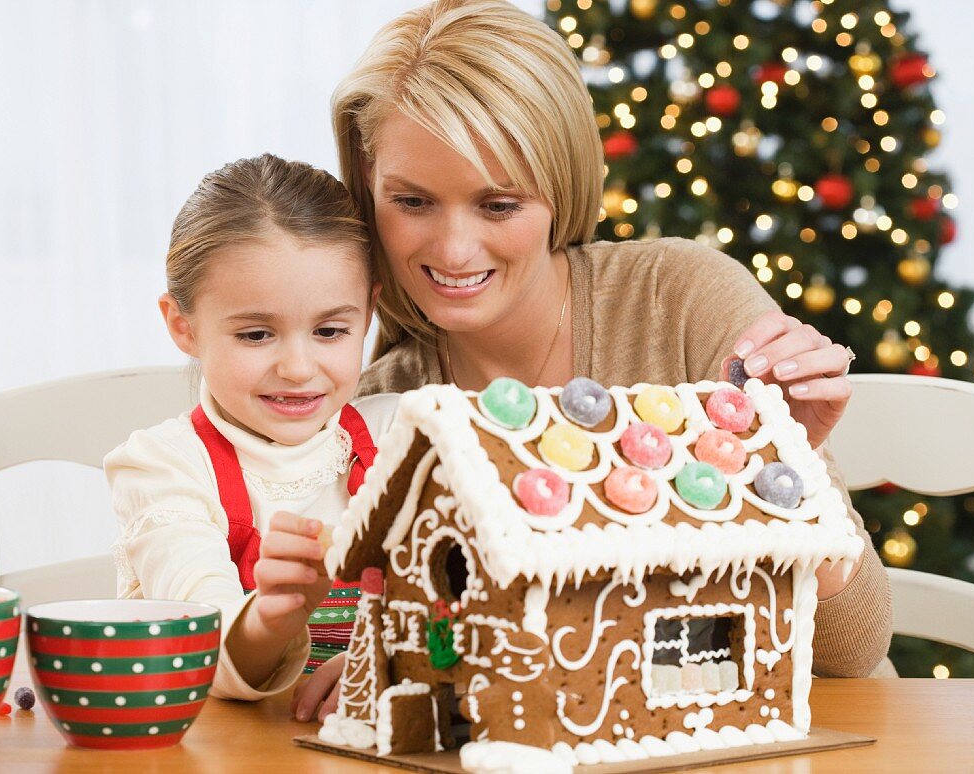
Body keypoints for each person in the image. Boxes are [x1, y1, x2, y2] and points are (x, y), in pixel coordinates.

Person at [292, 0, 892, 722]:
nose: (452, 251)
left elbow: (856, 652)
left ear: (560, 190)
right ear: (368, 190)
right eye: (413, 201)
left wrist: (787, 483)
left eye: (499, 205)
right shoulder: (381, 407)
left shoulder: (682, 300)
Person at [105, 154, 396, 700]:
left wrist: (391, 659)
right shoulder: (162, 465)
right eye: (257, 335)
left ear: (369, 312)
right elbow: (198, 645)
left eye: (331, 330)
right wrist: (271, 618)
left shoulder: (404, 434)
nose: (298, 368)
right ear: (183, 326)